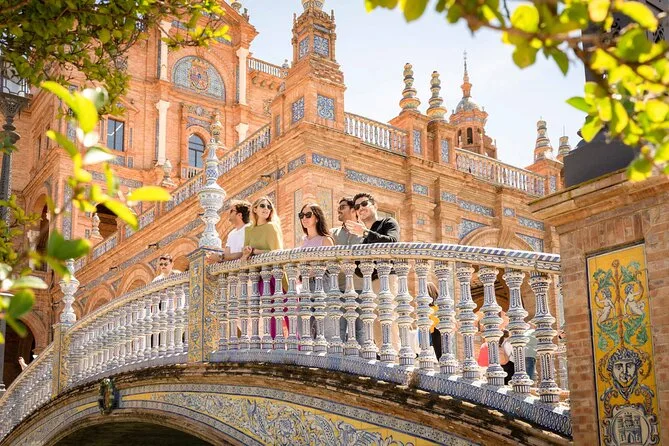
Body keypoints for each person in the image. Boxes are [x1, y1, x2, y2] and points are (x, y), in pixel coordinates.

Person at [345, 193, 402, 352]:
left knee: (388, 317)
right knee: (376, 321)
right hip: (371, 283)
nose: (360, 208)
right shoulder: (363, 239)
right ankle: (384, 355)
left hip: (387, 278)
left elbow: (392, 242)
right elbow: (361, 271)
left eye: (364, 204)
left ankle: (395, 357)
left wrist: (364, 232)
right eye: (357, 207)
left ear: (375, 205)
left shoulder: (388, 222)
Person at [242, 196, 287, 338]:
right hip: (260, 276)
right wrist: (246, 253)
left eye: (269, 207)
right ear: (254, 209)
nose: (266, 209)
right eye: (262, 206)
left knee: (286, 310)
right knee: (269, 310)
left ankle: (298, 345)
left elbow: (277, 252)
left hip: (276, 274)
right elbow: (246, 251)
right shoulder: (248, 229)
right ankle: (273, 343)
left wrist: (256, 251)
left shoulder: (272, 226)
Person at [329, 197, 364, 344]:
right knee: (338, 330)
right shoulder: (332, 233)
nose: (339, 210)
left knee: (361, 331)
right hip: (339, 288)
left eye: (343, 207)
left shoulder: (365, 232)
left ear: (354, 210)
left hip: (361, 288)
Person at [427, 282, 442, 359]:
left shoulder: (429, 309)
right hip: (439, 331)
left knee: (439, 356)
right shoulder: (439, 306)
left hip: (435, 332)